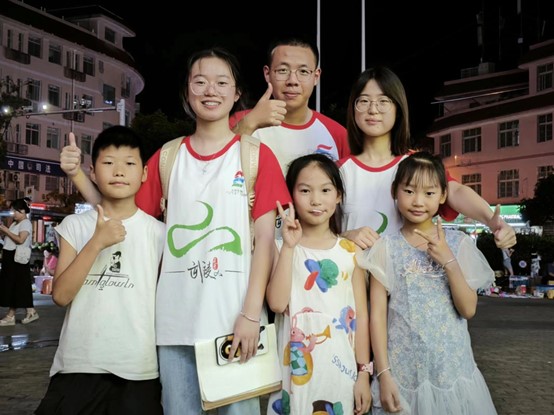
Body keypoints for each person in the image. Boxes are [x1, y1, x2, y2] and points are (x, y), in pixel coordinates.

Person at [58, 47, 291, 415]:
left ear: (236, 94)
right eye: (200, 82)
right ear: (187, 92)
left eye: (221, 83)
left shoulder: (255, 157)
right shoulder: (167, 158)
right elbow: (118, 216)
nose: (210, 90)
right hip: (173, 327)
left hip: (235, 324)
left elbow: (264, 240)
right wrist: (76, 175)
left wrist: (250, 315)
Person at [35, 126, 166, 414]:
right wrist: (96, 242)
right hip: (78, 365)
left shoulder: (159, 233)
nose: (119, 171)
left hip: (137, 369)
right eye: (108, 163)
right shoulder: (75, 226)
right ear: (92, 172)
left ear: (144, 173)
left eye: (129, 163)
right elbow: (61, 296)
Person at [357, 151, 497, 414]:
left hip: (452, 374)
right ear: (394, 191)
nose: (418, 201)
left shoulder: (458, 243)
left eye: (429, 193)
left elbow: (468, 309)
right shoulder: (385, 248)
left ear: (443, 195)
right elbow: (378, 316)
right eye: (409, 191)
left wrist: (449, 261)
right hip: (403, 376)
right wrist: (383, 374)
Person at [338, 65, 517, 250]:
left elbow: (455, 191)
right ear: (353, 109)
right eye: (364, 101)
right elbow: (321, 232)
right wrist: (345, 236)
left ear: (398, 109)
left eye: (383, 101)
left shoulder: (417, 164)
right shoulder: (338, 171)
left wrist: (493, 221)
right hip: (353, 269)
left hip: (407, 268)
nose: (373, 109)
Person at [266, 153, 371, 415]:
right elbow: (277, 304)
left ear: (338, 196)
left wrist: (363, 373)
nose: (316, 200)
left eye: (325, 190)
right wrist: (289, 247)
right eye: (305, 190)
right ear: (291, 195)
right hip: (292, 373)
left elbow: (361, 316)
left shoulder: (350, 251)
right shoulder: (280, 248)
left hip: (341, 374)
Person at [231, 37, 350, 174]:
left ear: (316, 77)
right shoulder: (239, 122)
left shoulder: (338, 135)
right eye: (283, 70)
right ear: (267, 74)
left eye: (303, 71)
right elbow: (216, 167)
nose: (292, 81)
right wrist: (249, 124)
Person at [0, 198, 39, 326]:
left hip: (17, 258)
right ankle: (30, 311)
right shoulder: (15, 223)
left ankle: (11, 316)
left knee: (16, 286)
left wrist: (6, 230)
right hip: (10, 257)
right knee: (19, 286)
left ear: (22, 210)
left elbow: (20, 239)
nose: (14, 214)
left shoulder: (25, 223)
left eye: (15, 211)